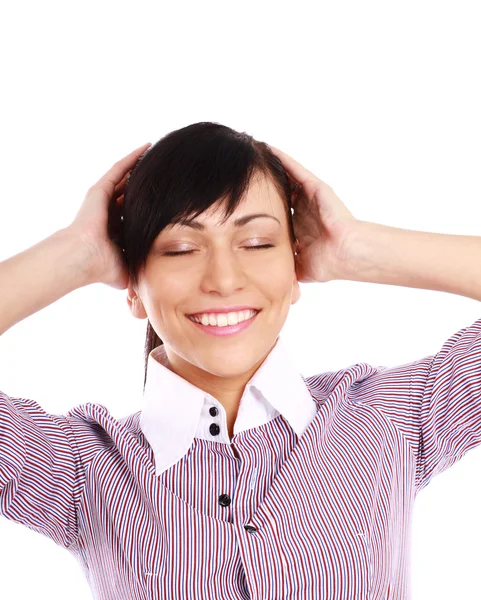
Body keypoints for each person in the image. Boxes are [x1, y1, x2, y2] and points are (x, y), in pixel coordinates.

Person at [1, 121, 480, 599]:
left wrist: (358, 249)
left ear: (296, 266)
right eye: (181, 248)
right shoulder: (84, 468)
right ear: (135, 288)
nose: (224, 279)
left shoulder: (386, 418)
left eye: (257, 243)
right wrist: (77, 253)